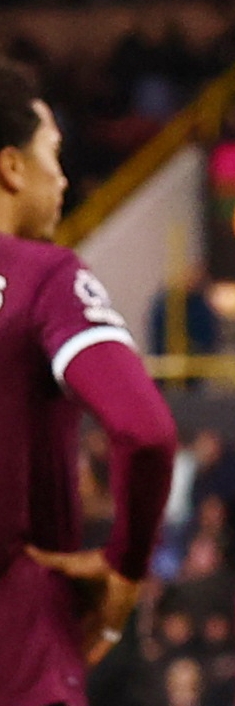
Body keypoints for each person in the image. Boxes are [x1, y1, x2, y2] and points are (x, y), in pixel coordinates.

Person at [0, 60, 178, 706]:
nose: (65, 177)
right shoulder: (43, 276)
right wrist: (125, 567)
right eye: (54, 154)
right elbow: (145, 430)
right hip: (19, 650)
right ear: (12, 166)